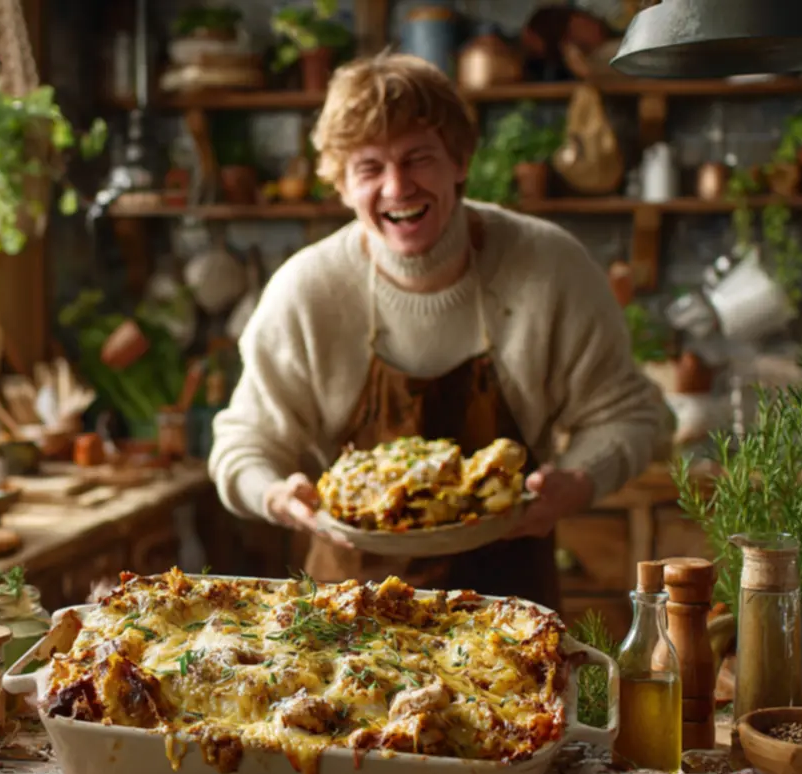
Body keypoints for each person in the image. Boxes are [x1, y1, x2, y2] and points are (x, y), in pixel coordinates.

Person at [206, 51, 666, 608]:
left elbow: (633, 415)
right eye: (369, 168)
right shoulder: (306, 292)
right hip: (345, 616)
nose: (397, 188)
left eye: (418, 158)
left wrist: (580, 480)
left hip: (508, 607)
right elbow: (242, 445)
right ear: (342, 185)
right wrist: (279, 496)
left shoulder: (551, 268)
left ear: (460, 160)